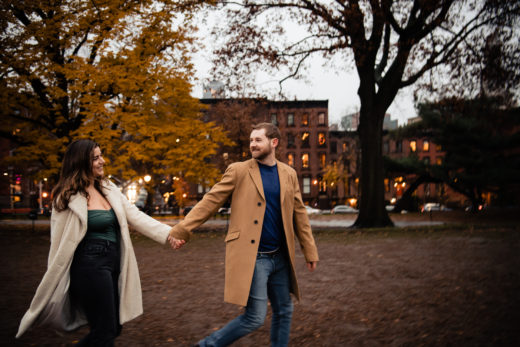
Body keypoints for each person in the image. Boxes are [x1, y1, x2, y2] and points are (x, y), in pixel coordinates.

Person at [16, 139, 184, 345]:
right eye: (95, 158)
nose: (102, 161)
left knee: (114, 326)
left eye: (101, 156)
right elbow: (58, 242)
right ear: (81, 162)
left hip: (113, 261)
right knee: (105, 331)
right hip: (88, 264)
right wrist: (55, 276)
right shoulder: (67, 196)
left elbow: (135, 215)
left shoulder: (108, 187)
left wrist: (169, 234)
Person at [169, 122, 319, 347]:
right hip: (254, 257)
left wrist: (310, 250)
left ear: (273, 142)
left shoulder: (289, 174)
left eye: (258, 140)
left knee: (284, 310)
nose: (253, 145)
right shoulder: (239, 170)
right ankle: (205, 345)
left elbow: (299, 215)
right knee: (255, 317)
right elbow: (211, 201)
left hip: (280, 258)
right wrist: (182, 229)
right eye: (251, 140)